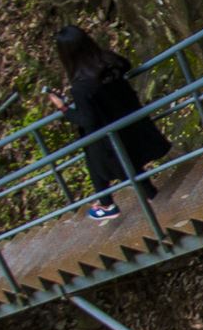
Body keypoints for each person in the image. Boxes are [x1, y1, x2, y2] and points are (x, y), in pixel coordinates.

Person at [46, 26, 171, 220]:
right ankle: (135, 197)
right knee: (114, 156)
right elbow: (126, 64)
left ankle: (107, 204)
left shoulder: (81, 86)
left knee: (95, 154)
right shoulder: (109, 62)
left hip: (111, 135)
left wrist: (63, 108)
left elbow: (87, 119)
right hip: (131, 123)